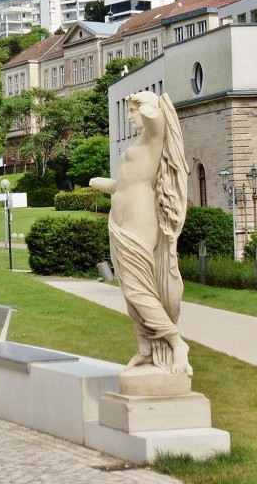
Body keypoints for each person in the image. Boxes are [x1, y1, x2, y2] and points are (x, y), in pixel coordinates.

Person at [90, 91, 191, 377]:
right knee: (129, 291)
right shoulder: (138, 143)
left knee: (138, 288)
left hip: (140, 218)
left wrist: (143, 101)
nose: (130, 117)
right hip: (119, 221)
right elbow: (123, 184)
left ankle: (176, 342)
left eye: (132, 112)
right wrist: (100, 183)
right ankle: (145, 348)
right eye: (129, 112)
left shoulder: (154, 138)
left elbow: (155, 118)